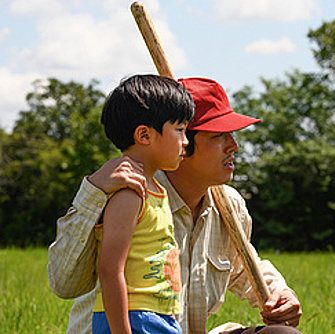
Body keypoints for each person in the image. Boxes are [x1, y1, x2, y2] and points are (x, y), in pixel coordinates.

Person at [48, 77, 302, 334]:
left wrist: (279, 293)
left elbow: (242, 266)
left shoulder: (230, 205)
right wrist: (92, 191)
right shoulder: (128, 192)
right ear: (184, 142)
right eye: (218, 136)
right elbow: (64, 284)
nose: (234, 146)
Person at [93, 74, 194, 333]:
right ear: (144, 135)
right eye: (180, 130)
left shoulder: (156, 190)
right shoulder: (129, 193)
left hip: (157, 316)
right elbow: (108, 269)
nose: (186, 141)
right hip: (134, 317)